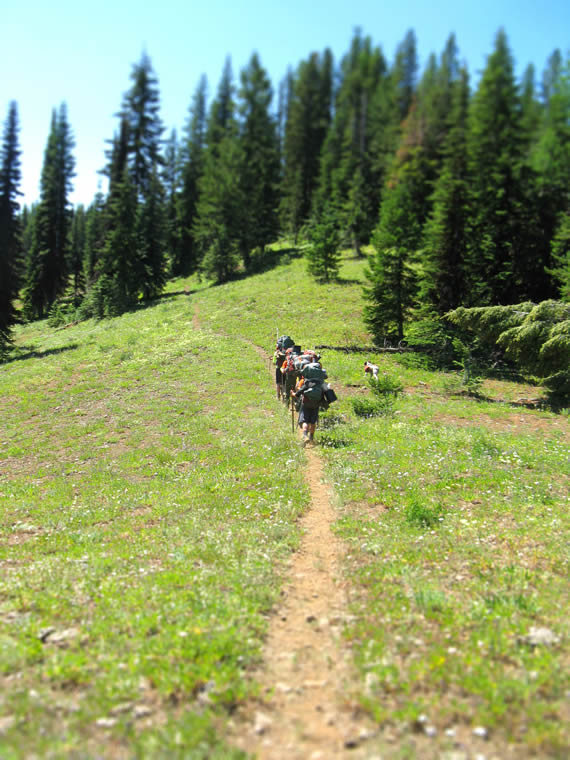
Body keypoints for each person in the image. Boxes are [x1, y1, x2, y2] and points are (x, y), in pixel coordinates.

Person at [291, 376, 323, 446]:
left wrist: (293, 394)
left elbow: (299, 392)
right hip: (316, 404)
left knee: (305, 421)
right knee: (313, 422)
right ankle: (311, 438)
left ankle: (305, 436)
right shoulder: (320, 382)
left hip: (306, 404)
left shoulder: (308, 382)